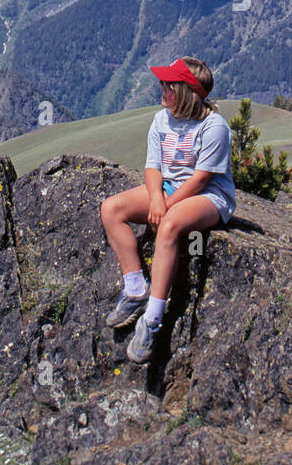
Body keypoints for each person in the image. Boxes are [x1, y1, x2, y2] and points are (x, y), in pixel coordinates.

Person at [98, 56, 236, 363]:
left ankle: (153, 318)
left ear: (187, 91)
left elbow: (201, 179)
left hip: (210, 196)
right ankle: (135, 288)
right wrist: (157, 199)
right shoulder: (162, 119)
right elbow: (152, 166)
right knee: (112, 209)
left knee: (170, 225)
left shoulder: (214, 127)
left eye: (168, 85)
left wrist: (165, 207)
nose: (161, 88)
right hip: (170, 189)